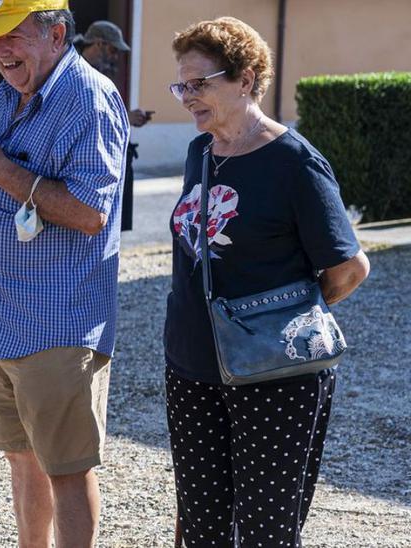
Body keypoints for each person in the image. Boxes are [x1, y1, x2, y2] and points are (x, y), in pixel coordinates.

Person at [164, 17, 369, 546]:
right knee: (203, 526)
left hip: (273, 374)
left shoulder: (295, 163)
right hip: (192, 365)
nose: (187, 97)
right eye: (181, 85)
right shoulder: (201, 152)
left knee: (266, 532)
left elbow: (350, 267)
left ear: (248, 79)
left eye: (200, 83)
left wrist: (278, 319)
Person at [0, 1, 129, 546]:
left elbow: (90, 213)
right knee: (22, 461)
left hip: (55, 323)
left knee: (67, 469)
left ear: (55, 34)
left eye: (12, 35)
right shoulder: (6, 97)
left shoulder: (89, 98)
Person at [75, 20, 152, 231]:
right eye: (113, 49)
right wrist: (127, 117)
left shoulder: (101, 73)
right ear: (98, 44)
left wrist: (128, 118)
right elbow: (87, 116)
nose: (115, 56)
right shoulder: (74, 72)